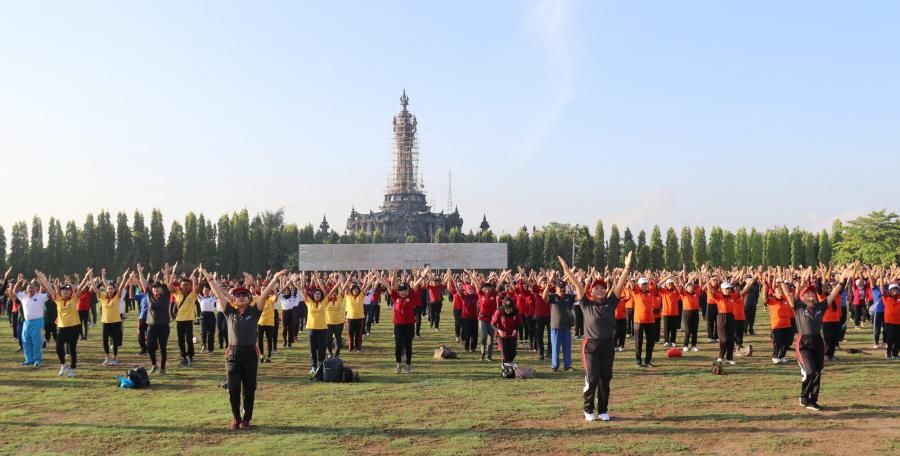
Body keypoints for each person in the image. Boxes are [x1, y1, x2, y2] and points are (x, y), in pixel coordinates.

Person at [203, 266, 284, 430]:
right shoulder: (229, 312)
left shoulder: (254, 312)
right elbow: (219, 294)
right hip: (233, 353)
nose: (241, 297)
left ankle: (246, 419)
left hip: (250, 354)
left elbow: (264, 294)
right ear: (234, 300)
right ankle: (236, 418)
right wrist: (210, 279)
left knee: (249, 388)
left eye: (244, 295)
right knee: (233, 388)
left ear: (249, 299)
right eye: (238, 295)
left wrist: (275, 279)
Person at [559, 251, 632, 422]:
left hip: (608, 346)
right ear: (591, 292)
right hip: (590, 347)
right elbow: (577, 284)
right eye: (596, 288)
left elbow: (620, 283)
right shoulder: (586, 303)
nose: (600, 289)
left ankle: (603, 409)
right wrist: (566, 270)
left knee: (605, 379)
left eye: (602, 288)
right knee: (592, 378)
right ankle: (588, 408)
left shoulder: (610, 303)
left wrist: (627, 267)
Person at [781, 267, 847, 411]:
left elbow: (834, 293)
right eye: (808, 292)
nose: (811, 294)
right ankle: (804, 397)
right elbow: (788, 295)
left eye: (812, 292)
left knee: (817, 372)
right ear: (803, 297)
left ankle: (812, 400)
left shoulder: (820, 307)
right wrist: (781, 282)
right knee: (810, 372)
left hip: (817, 341)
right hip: (803, 343)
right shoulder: (798, 307)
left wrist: (842, 281)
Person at [375, 268, 427, 374]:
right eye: (401, 290)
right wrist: (379, 277)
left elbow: (416, 285)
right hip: (398, 326)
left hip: (409, 325)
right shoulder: (395, 297)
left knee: (408, 346)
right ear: (398, 291)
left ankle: (408, 365)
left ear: (408, 290)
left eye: (405, 290)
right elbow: (388, 286)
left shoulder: (411, 295)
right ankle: (398, 364)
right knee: (398, 346)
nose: (403, 292)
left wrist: (422, 276)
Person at [34, 270, 84, 377]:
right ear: (61, 293)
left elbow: (80, 287)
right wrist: (42, 278)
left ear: (71, 292)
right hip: (61, 328)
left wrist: (87, 276)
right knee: (58, 347)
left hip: (74, 327)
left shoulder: (74, 299)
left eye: (67, 291)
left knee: (72, 349)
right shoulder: (58, 299)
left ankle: (72, 369)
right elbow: (49, 288)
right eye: (63, 291)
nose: (65, 292)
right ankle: (63, 365)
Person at [137, 263, 175, 375]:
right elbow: (144, 284)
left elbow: (169, 283)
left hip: (163, 326)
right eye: (154, 288)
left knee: (163, 347)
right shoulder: (149, 296)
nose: (156, 290)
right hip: (151, 326)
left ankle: (162, 368)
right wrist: (140, 272)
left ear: (161, 289)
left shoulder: (166, 295)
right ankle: (154, 365)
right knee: (150, 346)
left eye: (158, 288)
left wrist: (168, 273)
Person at [90, 269, 130, 366]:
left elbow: (121, 287)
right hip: (105, 322)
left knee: (115, 341)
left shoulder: (117, 296)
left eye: (112, 288)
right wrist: (90, 277)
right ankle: (108, 357)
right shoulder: (102, 297)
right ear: (106, 290)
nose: (110, 290)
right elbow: (95, 289)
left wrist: (124, 276)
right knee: (104, 341)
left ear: (114, 290)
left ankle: (115, 358)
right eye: (109, 288)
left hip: (116, 322)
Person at [12, 274, 49, 367]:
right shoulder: (23, 296)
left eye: (32, 288)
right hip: (27, 322)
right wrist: (19, 281)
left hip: (38, 322)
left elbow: (50, 293)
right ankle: (29, 360)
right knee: (26, 341)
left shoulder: (40, 296)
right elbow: (14, 291)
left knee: (37, 342)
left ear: (36, 289)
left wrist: (43, 282)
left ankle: (37, 360)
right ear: (26, 289)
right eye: (29, 288)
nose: (30, 290)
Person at [546, 273, 574, 372]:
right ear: (556, 289)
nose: (562, 290)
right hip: (555, 328)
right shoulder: (553, 297)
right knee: (555, 348)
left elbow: (580, 295)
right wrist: (548, 284)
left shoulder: (569, 297)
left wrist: (574, 279)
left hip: (566, 327)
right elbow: (544, 297)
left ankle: (567, 365)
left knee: (567, 348)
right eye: (560, 288)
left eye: (563, 288)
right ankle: (555, 366)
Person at [630, 276, 659, 368]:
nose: (645, 286)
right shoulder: (636, 292)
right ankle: (638, 361)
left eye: (646, 284)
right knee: (638, 342)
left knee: (651, 341)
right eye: (643, 284)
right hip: (638, 321)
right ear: (639, 285)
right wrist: (626, 274)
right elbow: (631, 284)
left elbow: (659, 284)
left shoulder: (651, 291)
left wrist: (668, 277)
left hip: (650, 320)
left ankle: (648, 361)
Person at [173, 270, 199, 367]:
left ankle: (191, 357)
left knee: (189, 339)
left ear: (190, 286)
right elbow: (169, 287)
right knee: (180, 340)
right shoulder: (177, 293)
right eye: (183, 284)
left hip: (189, 320)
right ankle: (183, 357)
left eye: (187, 285)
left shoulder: (193, 294)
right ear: (180, 285)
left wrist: (198, 276)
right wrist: (170, 273)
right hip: (179, 320)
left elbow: (199, 287)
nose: (185, 286)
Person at [304, 273, 329, 375]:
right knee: (312, 349)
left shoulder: (324, 302)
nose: (317, 295)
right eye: (316, 294)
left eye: (319, 294)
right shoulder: (309, 302)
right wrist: (296, 282)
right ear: (313, 295)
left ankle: (321, 366)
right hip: (311, 329)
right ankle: (313, 367)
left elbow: (324, 291)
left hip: (322, 329)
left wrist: (318, 279)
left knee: (321, 349)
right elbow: (302, 291)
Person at [343, 274, 371, 353]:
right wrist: (348, 278)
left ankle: (358, 347)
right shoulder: (348, 295)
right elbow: (345, 286)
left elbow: (367, 286)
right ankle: (351, 347)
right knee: (350, 334)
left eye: (357, 289)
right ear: (352, 290)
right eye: (354, 289)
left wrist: (372, 278)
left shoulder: (361, 295)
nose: (355, 290)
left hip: (359, 318)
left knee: (358, 334)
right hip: (349, 318)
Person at [492, 296, 521, 364]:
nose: (508, 310)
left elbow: (519, 324)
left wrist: (516, 330)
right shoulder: (498, 311)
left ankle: (508, 364)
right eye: (506, 308)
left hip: (512, 335)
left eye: (510, 308)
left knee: (513, 353)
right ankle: (505, 366)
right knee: (505, 352)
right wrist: (499, 330)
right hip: (501, 335)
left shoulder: (516, 312)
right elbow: (493, 324)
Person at [678, 277, 701, 352]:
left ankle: (693, 345)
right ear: (686, 288)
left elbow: (701, 285)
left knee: (695, 330)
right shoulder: (683, 294)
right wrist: (678, 277)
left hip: (695, 313)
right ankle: (685, 345)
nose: (691, 287)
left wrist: (699, 275)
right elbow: (680, 285)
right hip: (687, 313)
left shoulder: (696, 293)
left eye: (692, 286)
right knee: (688, 330)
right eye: (689, 286)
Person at [324, 283, 345, 358]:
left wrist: (340, 283)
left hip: (339, 323)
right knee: (328, 340)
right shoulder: (326, 301)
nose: (333, 294)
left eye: (335, 293)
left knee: (338, 339)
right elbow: (324, 291)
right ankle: (330, 353)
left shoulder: (339, 299)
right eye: (332, 293)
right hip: (328, 324)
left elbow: (343, 290)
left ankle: (337, 354)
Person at [198, 284, 218, 354]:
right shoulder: (200, 298)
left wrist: (213, 281)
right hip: (203, 316)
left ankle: (211, 349)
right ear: (203, 291)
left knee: (211, 333)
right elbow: (195, 290)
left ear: (209, 291)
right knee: (203, 332)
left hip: (211, 315)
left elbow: (215, 290)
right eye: (205, 290)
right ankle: (204, 346)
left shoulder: (212, 298)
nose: (206, 291)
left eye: (207, 290)